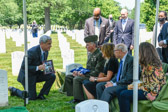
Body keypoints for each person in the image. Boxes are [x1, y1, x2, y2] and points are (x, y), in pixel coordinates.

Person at [117, 42, 166, 112]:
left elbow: (153, 88)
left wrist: (137, 86)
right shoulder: (147, 64)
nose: (137, 54)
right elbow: (145, 83)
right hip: (146, 88)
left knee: (124, 94)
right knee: (119, 90)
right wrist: (135, 86)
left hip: (151, 93)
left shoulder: (152, 67)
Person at [8, 35, 56, 100]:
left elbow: (42, 62)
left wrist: (49, 70)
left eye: (50, 44)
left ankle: (41, 95)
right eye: (49, 44)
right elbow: (24, 66)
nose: (50, 45)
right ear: (42, 43)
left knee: (52, 76)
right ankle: (13, 90)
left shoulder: (46, 51)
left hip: (36, 74)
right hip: (27, 76)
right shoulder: (32, 52)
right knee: (31, 97)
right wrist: (37, 68)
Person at [64, 35, 105, 103]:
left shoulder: (99, 55)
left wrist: (84, 75)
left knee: (77, 79)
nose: (86, 47)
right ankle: (73, 95)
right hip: (88, 74)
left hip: (94, 76)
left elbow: (97, 71)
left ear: (94, 45)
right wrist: (78, 72)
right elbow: (88, 68)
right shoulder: (91, 54)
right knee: (68, 77)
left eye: (87, 45)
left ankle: (79, 99)